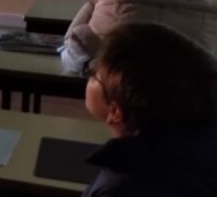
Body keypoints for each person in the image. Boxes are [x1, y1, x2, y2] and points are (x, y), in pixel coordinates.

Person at [81, 23, 217, 196]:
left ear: (115, 112)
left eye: (94, 74)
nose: (89, 75)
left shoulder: (119, 188)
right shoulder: (202, 147)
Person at [60, 0, 217, 74]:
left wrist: (93, 5)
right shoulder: (205, 19)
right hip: (195, 103)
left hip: (125, 102)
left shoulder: (111, 19)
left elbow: (69, 60)